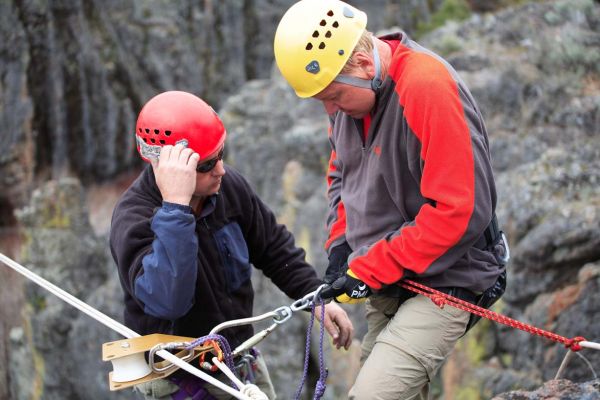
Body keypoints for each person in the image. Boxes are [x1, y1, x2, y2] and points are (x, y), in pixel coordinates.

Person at [273, 1, 509, 399]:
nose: (330, 110)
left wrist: (369, 267)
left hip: (451, 279)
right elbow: (343, 175)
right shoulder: (350, 98)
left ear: (365, 64)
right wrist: (341, 245)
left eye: (332, 96)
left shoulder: (426, 87)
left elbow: (461, 211)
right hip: (390, 278)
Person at [109, 90, 354, 400]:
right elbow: (169, 301)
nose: (221, 169)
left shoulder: (227, 187)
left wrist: (316, 296)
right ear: (170, 166)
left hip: (237, 360)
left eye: (221, 155)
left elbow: (272, 246)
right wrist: (176, 208)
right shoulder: (133, 218)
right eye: (208, 164)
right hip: (176, 379)